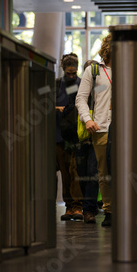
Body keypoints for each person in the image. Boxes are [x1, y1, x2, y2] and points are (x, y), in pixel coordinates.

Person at [76, 34, 113, 227]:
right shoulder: (94, 70)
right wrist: (88, 120)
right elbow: (81, 98)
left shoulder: (128, 69)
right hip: (101, 128)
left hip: (124, 128)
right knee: (104, 172)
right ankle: (109, 211)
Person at [55, 53, 84, 222]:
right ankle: (69, 206)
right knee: (65, 173)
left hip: (76, 135)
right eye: (69, 73)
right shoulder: (57, 84)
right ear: (63, 70)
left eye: (74, 73)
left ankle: (78, 206)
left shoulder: (82, 84)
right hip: (59, 134)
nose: (72, 76)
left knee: (77, 172)